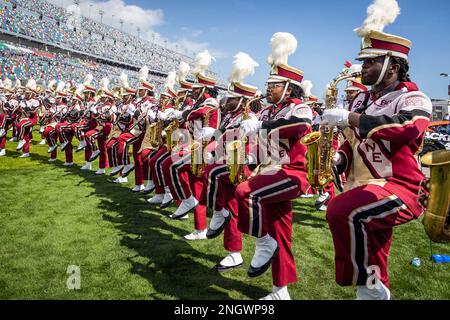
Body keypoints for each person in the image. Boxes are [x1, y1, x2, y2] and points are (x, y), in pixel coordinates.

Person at [322, 0, 432, 300]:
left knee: (340, 211)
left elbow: (407, 127)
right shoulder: (360, 99)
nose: (363, 68)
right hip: (364, 185)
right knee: (374, 251)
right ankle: (372, 292)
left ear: (392, 66)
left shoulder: (413, 96)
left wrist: (351, 118)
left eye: (370, 62)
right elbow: (351, 140)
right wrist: (339, 156)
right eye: (364, 61)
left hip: (401, 187)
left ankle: (366, 288)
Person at [235, 32, 313, 300]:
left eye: (274, 85)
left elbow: (300, 127)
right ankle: (281, 291)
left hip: (293, 172)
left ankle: (261, 241)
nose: (268, 89)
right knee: (282, 232)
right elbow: (261, 142)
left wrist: (262, 125)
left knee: (245, 193)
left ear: (288, 88)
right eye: (268, 85)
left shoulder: (299, 107)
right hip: (270, 171)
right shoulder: (267, 111)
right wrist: (250, 158)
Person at [200, 52, 260, 272]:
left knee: (213, 177)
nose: (227, 100)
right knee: (229, 206)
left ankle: (217, 213)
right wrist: (213, 149)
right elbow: (223, 137)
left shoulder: (249, 118)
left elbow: (255, 142)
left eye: (233, 98)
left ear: (242, 101)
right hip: (227, 162)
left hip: (242, 164)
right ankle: (233, 253)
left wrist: (248, 158)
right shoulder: (228, 116)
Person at [161, 50, 220, 240]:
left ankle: (185, 201)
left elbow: (203, 112)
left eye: (196, 89)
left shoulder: (210, 101)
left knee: (170, 164)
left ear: (205, 90)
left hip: (205, 147)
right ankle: (200, 228)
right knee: (196, 187)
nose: (192, 92)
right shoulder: (196, 103)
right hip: (194, 144)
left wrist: (183, 114)